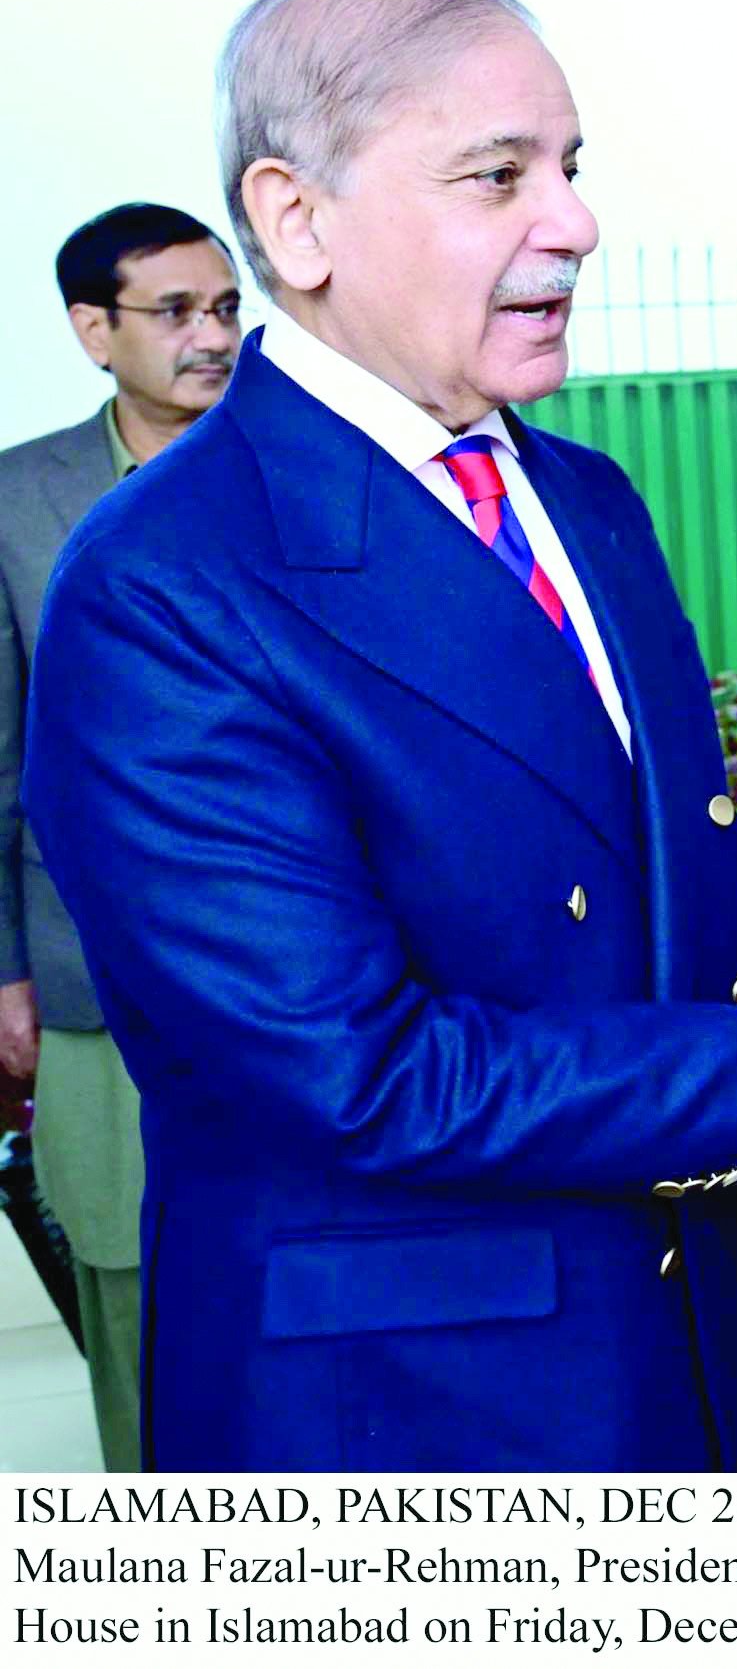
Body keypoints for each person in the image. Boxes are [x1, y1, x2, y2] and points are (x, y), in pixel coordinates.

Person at [24, 0, 737, 1472]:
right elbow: (357, 1071)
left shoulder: (582, 495)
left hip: (680, 1351)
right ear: (296, 222)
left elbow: (674, 846)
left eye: (571, 166)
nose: (575, 220)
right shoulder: (163, 583)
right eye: (498, 175)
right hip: (410, 1412)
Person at [0, 201, 241, 1469]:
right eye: (174, 313)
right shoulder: (19, 500)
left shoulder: (288, 471)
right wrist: (4, 969)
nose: (211, 338)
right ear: (94, 330)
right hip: (92, 969)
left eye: (224, 308)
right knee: (125, 1268)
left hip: (298, 966)